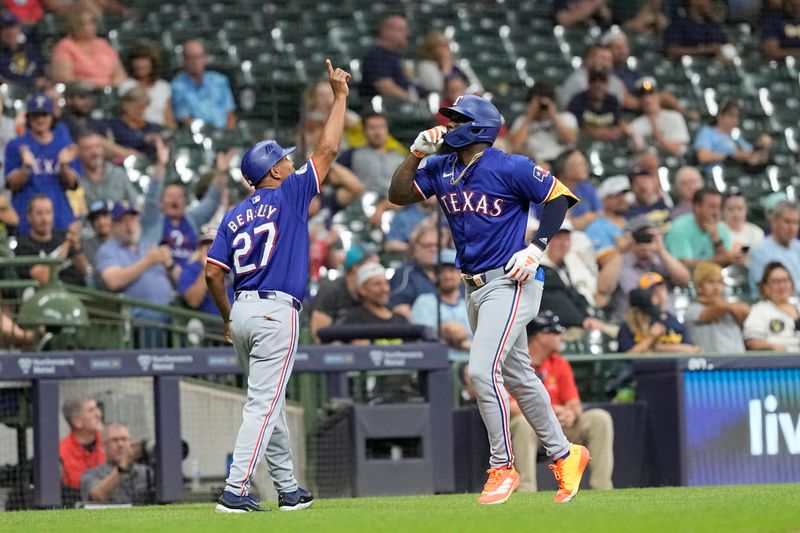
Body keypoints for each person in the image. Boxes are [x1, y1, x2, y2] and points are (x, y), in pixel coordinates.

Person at [389, 94, 590, 505]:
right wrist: (413, 155)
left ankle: (502, 466)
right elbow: (398, 195)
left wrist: (537, 248)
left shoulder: (510, 165)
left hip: (510, 281)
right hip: (473, 286)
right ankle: (566, 453)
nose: (447, 125)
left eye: (457, 119)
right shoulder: (442, 166)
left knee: (481, 371)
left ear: (478, 126)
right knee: (518, 374)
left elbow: (560, 196)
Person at [205, 59, 350, 513]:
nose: (291, 161)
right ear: (272, 172)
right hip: (275, 312)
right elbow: (327, 150)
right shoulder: (288, 194)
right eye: (284, 158)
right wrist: (340, 97)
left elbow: (212, 272)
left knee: (269, 400)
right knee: (263, 406)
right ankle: (235, 490)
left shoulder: (234, 214)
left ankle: (287, 488)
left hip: (243, 311)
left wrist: (228, 317)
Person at [510, 312, 614, 492]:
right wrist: (548, 413)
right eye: (556, 333)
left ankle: (602, 487)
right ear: (541, 336)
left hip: (561, 426)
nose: (561, 337)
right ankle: (526, 490)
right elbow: (509, 406)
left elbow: (574, 402)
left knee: (599, 418)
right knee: (522, 424)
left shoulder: (559, 363)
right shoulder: (515, 363)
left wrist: (572, 413)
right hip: (532, 428)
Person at [140, 140, 225, 268]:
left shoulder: (192, 220)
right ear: (161, 202)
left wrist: (221, 173)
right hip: (160, 276)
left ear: (186, 202)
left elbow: (212, 201)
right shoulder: (152, 220)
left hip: (189, 279)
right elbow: (152, 196)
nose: (175, 199)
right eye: (169, 196)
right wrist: (161, 164)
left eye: (179, 196)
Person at [5, 93, 80, 235]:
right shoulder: (16, 145)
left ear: (52, 117)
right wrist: (26, 168)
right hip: (25, 219)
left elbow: (72, 185)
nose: (40, 119)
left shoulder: (65, 145)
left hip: (59, 218)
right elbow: (11, 185)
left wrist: (63, 166)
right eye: (36, 115)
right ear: (28, 118)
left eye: (44, 114)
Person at [410, 248, 472, 358]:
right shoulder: (424, 302)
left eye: (452, 270)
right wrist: (445, 330)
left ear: (460, 274)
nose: (447, 276)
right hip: (439, 365)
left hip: (470, 364)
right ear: (433, 275)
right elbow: (422, 337)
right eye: (442, 271)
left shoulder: (469, 304)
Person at [15, 194, 88, 285]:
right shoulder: (23, 245)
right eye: (39, 213)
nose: (45, 219)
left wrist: (76, 247)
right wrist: (66, 245)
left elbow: (85, 271)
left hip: (78, 291)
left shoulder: (63, 236)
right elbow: (44, 278)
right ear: (29, 217)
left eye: (48, 212)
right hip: (49, 294)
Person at [310, 244, 377, 341]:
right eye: (372, 267)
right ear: (356, 267)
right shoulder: (331, 290)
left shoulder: (370, 291)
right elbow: (318, 334)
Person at [51, 7, 127, 88]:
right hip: (83, 91)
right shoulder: (65, 46)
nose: (91, 27)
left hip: (111, 89)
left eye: (92, 23)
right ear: (74, 26)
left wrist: (112, 86)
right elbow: (65, 77)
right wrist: (94, 85)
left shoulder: (102, 44)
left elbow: (120, 73)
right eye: (85, 24)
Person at [665, 188, 742, 268]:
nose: (716, 212)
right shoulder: (680, 228)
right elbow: (684, 265)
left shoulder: (721, 228)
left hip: (716, 278)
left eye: (719, 207)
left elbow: (727, 261)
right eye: (712, 207)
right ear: (697, 207)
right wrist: (718, 260)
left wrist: (716, 237)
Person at [693, 98, 773, 173]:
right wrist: (730, 156)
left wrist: (762, 147)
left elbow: (751, 157)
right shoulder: (707, 132)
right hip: (716, 174)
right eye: (731, 115)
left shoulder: (736, 137)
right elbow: (703, 157)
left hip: (738, 174)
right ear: (720, 115)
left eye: (737, 117)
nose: (734, 120)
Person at [171, 40, 236, 130]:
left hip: (224, 134)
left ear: (205, 58)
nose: (196, 61)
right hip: (197, 135)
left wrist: (229, 135)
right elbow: (184, 119)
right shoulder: (177, 86)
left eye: (199, 57)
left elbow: (230, 114)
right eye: (191, 57)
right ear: (184, 61)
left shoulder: (220, 80)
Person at [685, 261, 748, 353]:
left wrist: (722, 304)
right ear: (699, 287)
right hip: (711, 364)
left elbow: (745, 310)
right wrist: (725, 305)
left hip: (737, 364)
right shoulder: (693, 309)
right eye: (710, 282)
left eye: (719, 282)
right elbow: (709, 314)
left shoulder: (729, 307)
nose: (716, 287)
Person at [80, 423, 151, 504]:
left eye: (124, 439)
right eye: (114, 440)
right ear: (103, 447)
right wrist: (123, 465)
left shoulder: (145, 472)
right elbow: (97, 496)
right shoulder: (92, 474)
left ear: (131, 443)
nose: (120, 444)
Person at [509, 82, 578, 165]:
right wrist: (529, 116)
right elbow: (515, 146)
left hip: (562, 162)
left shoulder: (566, 117)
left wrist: (554, 116)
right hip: (535, 162)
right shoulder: (522, 120)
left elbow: (571, 140)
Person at [530, 149, 600, 231]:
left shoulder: (586, 188)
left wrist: (586, 219)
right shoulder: (547, 190)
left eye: (585, 163)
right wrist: (578, 222)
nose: (586, 167)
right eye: (580, 164)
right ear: (564, 169)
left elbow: (600, 213)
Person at [359, 14, 423, 103]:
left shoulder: (397, 56)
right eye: (402, 30)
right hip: (390, 109)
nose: (408, 34)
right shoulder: (376, 57)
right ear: (387, 31)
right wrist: (415, 102)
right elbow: (386, 87)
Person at [337, 111, 406, 193]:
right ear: (363, 131)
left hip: (397, 202)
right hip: (364, 201)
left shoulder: (399, 157)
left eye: (381, 127)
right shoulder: (352, 155)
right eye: (372, 127)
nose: (377, 132)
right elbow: (333, 173)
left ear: (387, 130)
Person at [618, 285, 699, 353]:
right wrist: (651, 338)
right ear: (636, 312)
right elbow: (627, 357)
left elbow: (692, 349)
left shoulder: (658, 323)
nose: (649, 317)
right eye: (646, 313)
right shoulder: (626, 328)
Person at [744, 261, 800, 351]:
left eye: (785, 280)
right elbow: (752, 342)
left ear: (792, 284)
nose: (782, 285)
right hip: (778, 361)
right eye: (776, 282)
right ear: (766, 286)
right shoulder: (760, 309)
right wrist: (772, 347)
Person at [118, 41, 175, 128]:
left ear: (152, 62)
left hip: (161, 131)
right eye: (136, 60)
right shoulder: (126, 86)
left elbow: (168, 118)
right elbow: (127, 118)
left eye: (144, 59)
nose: (140, 64)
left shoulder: (163, 86)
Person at [388, 222, 439, 319]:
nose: (433, 250)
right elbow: (399, 308)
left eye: (436, 246)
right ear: (414, 247)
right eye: (427, 246)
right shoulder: (404, 273)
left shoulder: (452, 273)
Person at [747, 202, 800, 294]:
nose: (792, 228)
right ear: (774, 222)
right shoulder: (760, 252)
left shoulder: (797, 247)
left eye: (796, 222)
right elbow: (766, 290)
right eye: (787, 222)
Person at [178, 226, 232, 315]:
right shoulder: (191, 269)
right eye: (206, 243)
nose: (210, 247)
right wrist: (207, 269)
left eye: (215, 244)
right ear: (199, 248)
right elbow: (192, 302)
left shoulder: (230, 271)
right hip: (206, 324)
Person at [629, 78, 689, 157]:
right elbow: (640, 154)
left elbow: (677, 150)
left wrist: (656, 132)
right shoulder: (635, 125)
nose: (647, 98)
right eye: (643, 95)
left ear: (658, 95)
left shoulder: (675, 117)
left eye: (651, 93)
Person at [77, 132, 140, 207]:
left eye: (97, 147)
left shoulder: (118, 174)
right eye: (88, 148)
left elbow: (135, 204)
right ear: (79, 152)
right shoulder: (75, 179)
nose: (94, 152)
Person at [338, 262, 408, 328]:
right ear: (362, 290)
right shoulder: (354, 319)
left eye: (386, 283)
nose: (385, 289)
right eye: (377, 284)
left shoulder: (400, 319)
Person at [567, 67, 626, 144]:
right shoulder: (577, 102)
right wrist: (595, 132)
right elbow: (572, 130)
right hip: (585, 143)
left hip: (609, 143)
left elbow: (619, 124)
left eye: (602, 80)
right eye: (593, 80)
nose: (598, 84)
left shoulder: (613, 101)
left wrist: (616, 130)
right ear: (588, 83)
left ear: (607, 83)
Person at [59, 395, 105, 492]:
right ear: (77, 422)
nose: (99, 414)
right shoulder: (60, 454)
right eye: (91, 410)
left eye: (97, 408)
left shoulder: (111, 443)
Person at [415, 30, 482, 95]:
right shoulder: (425, 65)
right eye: (441, 45)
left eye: (446, 45)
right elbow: (436, 87)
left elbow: (478, 88)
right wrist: (446, 67)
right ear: (430, 49)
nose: (446, 49)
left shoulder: (459, 65)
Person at [106, 86, 162, 160]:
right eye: (138, 107)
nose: (141, 112)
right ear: (126, 105)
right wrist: (143, 140)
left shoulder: (150, 127)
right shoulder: (114, 126)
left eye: (143, 108)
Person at [663, 0, 731, 60]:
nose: (710, 2)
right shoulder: (679, 25)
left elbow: (726, 46)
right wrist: (705, 50)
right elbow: (672, 51)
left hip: (715, 69)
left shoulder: (713, 25)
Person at [584, 175, 630, 263]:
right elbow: (603, 262)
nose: (621, 199)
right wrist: (626, 248)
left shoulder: (629, 221)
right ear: (603, 200)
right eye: (615, 196)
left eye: (623, 195)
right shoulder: (596, 227)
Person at [0, 12, 45, 87]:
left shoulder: (31, 50)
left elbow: (42, 74)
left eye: (12, 26)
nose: (9, 32)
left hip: (36, 94)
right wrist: (30, 83)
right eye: (5, 28)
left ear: (19, 29)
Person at [624, 158, 671, 225]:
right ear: (632, 188)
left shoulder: (663, 204)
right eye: (637, 184)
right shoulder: (628, 212)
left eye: (645, 182)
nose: (642, 187)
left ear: (653, 184)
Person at [721, 187, 763, 253]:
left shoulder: (756, 232)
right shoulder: (718, 232)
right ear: (722, 211)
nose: (736, 214)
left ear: (746, 210)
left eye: (740, 209)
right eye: (730, 209)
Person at [82, 199, 113, 266]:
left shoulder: (125, 240)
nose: (101, 222)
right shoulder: (87, 245)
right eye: (96, 218)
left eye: (105, 216)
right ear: (92, 223)